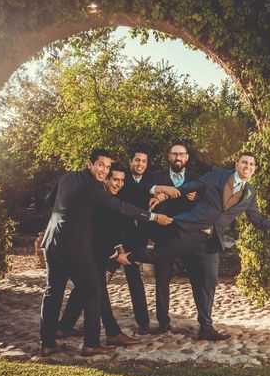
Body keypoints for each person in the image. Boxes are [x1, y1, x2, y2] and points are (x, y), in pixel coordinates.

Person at [39, 149, 172, 357]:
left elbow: (49, 201)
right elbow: (121, 207)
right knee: (93, 292)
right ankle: (91, 344)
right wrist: (154, 217)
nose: (104, 170)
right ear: (90, 164)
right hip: (75, 248)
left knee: (52, 293)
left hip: (52, 244)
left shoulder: (67, 177)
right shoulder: (93, 188)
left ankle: (47, 343)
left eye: (107, 166)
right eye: (101, 165)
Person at [151, 151, 270, 340]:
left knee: (208, 281)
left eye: (252, 165)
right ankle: (162, 321)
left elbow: (258, 221)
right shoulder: (217, 174)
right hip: (186, 232)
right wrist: (162, 196)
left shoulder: (250, 193)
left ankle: (206, 327)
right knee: (161, 267)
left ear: (254, 170)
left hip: (210, 242)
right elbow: (190, 186)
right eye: (245, 162)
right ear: (237, 163)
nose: (248, 166)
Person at [56, 165, 140, 347]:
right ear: (106, 179)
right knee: (97, 290)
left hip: (99, 253)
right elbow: (96, 234)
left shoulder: (112, 198)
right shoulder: (97, 198)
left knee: (86, 290)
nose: (119, 184)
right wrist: (116, 255)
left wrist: (119, 247)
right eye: (115, 179)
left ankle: (64, 326)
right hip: (87, 252)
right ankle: (112, 332)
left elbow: (111, 230)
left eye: (122, 180)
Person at [147, 143, 199, 334]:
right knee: (162, 280)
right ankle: (163, 322)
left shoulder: (195, 179)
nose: (178, 157)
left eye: (182, 154)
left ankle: (204, 322)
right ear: (169, 157)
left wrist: (196, 199)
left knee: (197, 279)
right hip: (164, 236)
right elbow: (151, 203)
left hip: (188, 237)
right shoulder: (156, 178)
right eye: (174, 154)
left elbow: (203, 205)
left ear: (187, 158)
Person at [113, 146, 155, 334]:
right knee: (98, 280)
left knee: (135, 282)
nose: (140, 164)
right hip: (115, 238)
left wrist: (141, 247)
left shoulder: (151, 182)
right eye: (137, 160)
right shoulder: (121, 180)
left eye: (144, 161)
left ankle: (143, 323)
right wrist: (117, 244)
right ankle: (68, 323)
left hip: (136, 241)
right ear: (131, 161)